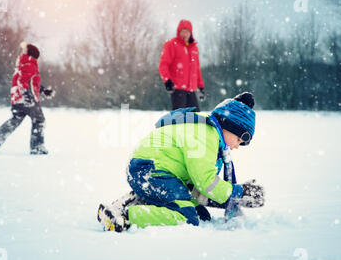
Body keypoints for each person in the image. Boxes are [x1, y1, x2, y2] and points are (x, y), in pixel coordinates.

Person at [97, 92, 265, 232]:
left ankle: (140, 198)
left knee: (201, 215)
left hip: (150, 170)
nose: (237, 146)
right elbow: (205, 182)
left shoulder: (207, 130)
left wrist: (232, 198)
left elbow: (197, 187)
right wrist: (238, 192)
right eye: (239, 139)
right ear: (230, 125)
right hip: (151, 170)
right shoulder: (206, 135)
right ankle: (126, 216)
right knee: (188, 217)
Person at [0, 42, 55, 155]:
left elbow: (30, 83)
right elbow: (22, 82)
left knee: (15, 120)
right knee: (39, 120)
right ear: (34, 56)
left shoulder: (22, 65)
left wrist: (43, 90)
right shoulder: (29, 65)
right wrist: (26, 95)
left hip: (17, 99)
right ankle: (37, 147)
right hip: (27, 100)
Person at [159, 19, 205, 112]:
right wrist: (167, 80)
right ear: (178, 32)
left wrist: (200, 86)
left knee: (196, 117)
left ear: (190, 33)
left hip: (191, 89)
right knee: (179, 117)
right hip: (178, 88)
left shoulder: (194, 48)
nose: (185, 34)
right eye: (182, 31)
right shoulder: (171, 44)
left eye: (187, 31)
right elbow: (163, 64)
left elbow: (197, 69)